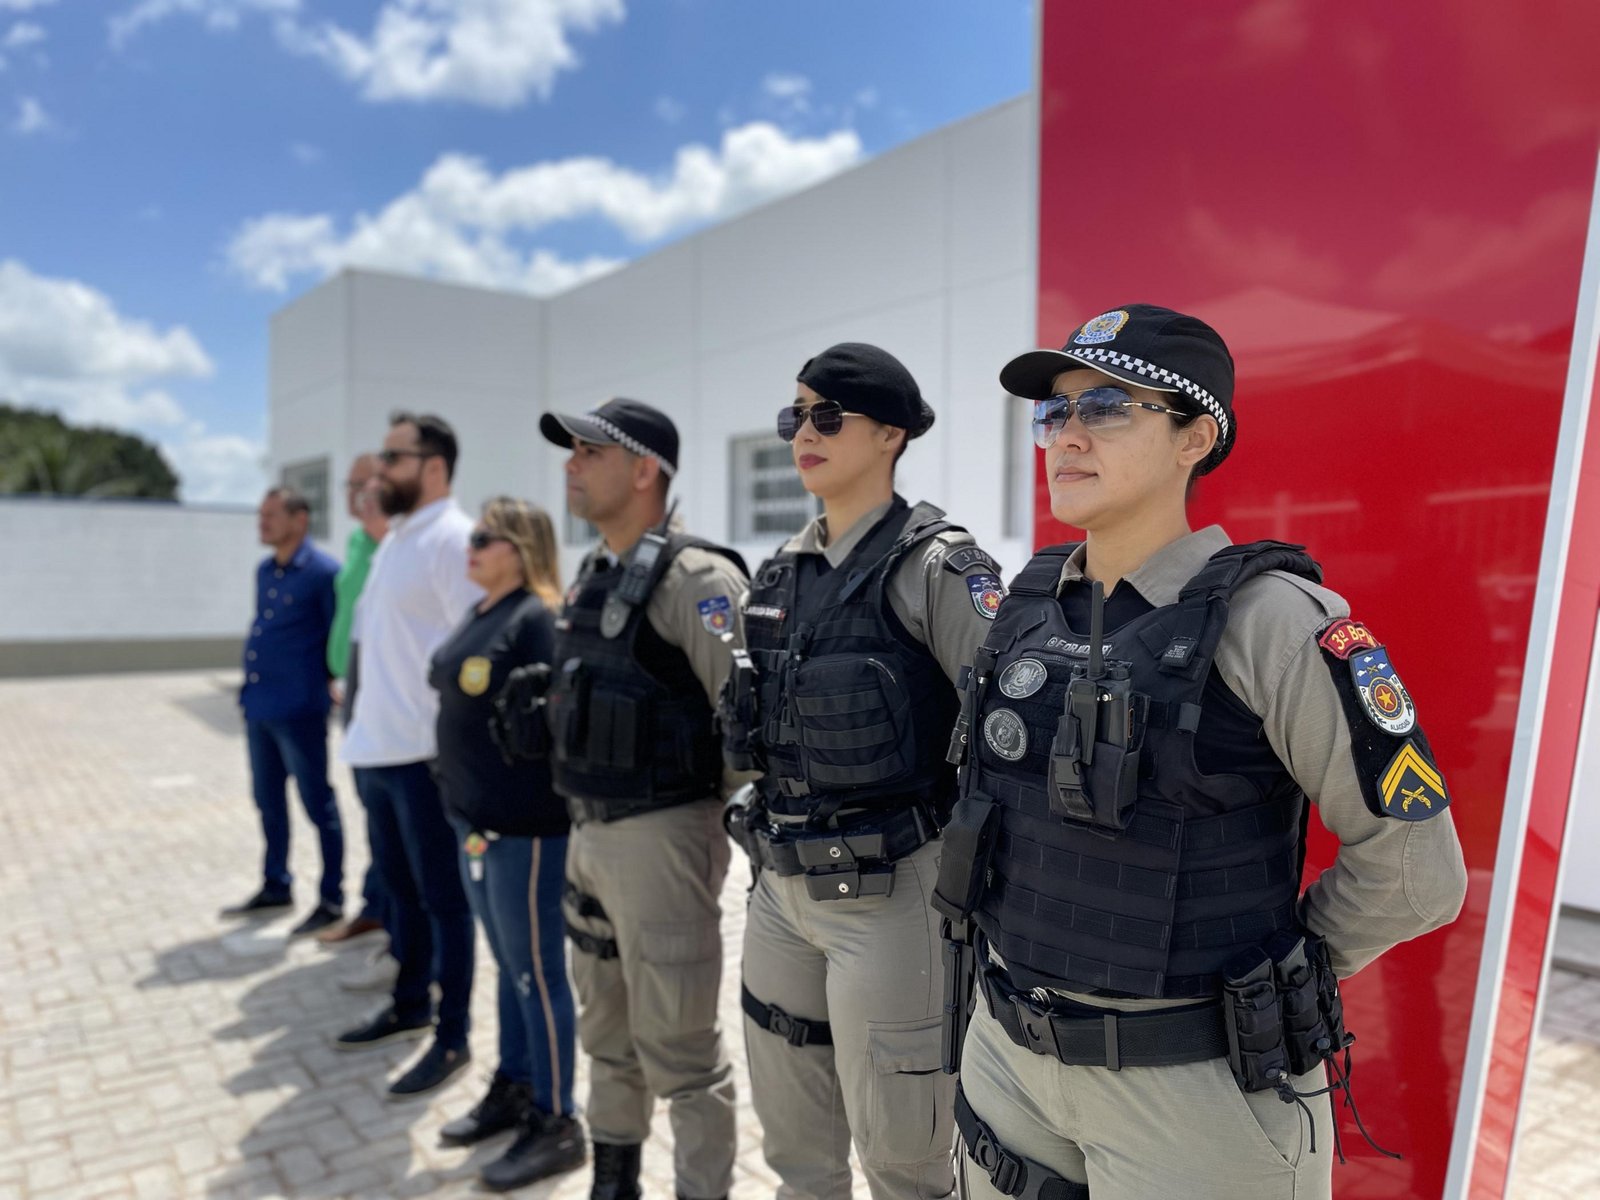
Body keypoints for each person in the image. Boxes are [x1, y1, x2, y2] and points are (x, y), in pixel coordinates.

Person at [933, 304, 1470, 1200]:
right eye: (1055, 412)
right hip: (1006, 1058)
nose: (1068, 435)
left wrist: (1271, 981)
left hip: (1192, 1089)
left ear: (1196, 436)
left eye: (1107, 408)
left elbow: (1418, 874)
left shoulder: (1275, 623)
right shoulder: (1025, 610)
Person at [720, 343, 1004, 1200]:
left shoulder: (937, 568)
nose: (803, 433)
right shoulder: (780, 571)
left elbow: (1007, 739)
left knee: (904, 1164)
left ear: (891, 434)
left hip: (890, 895)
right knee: (797, 1155)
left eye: (827, 415)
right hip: (778, 893)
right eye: (794, 415)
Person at [539, 399, 746, 1200]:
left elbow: (748, 731)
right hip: (588, 835)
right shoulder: (595, 572)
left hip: (660, 838)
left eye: (589, 451)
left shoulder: (699, 580)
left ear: (643, 470)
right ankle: (613, 1182)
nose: (571, 465)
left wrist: (702, 825)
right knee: (606, 1034)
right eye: (571, 451)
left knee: (681, 1053)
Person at [430, 497, 584, 1191]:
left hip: (527, 832)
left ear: (520, 546)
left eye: (485, 537)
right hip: (475, 825)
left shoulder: (537, 618)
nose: (472, 546)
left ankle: (557, 1121)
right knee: (510, 967)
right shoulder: (481, 609)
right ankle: (517, 1085)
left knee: (536, 974)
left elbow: (558, 723)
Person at [333, 412, 483, 1101]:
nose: (379, 470)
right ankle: (410, 1004)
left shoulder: (452, 540)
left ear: (433, 466)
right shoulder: (397, 539)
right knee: (400, 892)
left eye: (392, 457)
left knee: (444, 901)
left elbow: (476, 649)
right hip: (378, 752)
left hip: (423, 758)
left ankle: (452, 1036)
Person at [223, 486, 343, 939]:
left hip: (300, 711)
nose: (263, 523)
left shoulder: (324, 572)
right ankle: (277, 884)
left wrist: (332, 683)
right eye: (261, 515)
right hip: (260, 707)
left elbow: (336, 638)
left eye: (271, 515)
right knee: (267, 801)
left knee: (318, 804)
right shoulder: (264, 571)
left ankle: (331, 897)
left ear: (299, 519)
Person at [320, 453, 391, 948]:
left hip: (379, 697)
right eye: (349, 485)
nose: (353, 493)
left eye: (361, 484)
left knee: (382, 808)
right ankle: (377, 904)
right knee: (369, 805)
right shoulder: (355, 542)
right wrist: (336, 671)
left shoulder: (394, 544)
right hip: (350, 692)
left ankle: (380, 908)